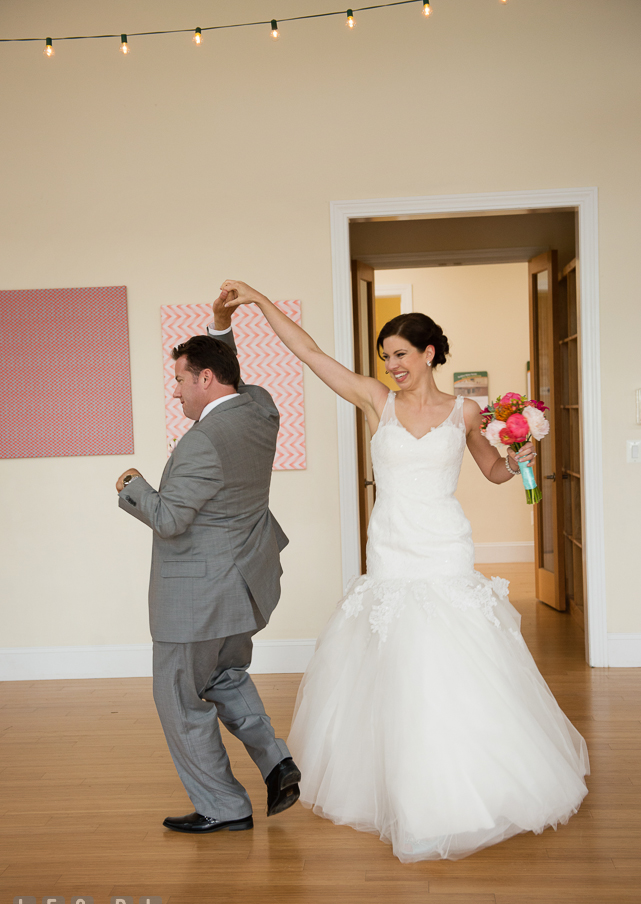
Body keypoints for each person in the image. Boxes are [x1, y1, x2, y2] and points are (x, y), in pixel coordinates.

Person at [217, 279, 589, 863]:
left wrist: (519, 460)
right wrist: (262, 304)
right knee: (399, 667)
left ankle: (466, 787)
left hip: (445, 549)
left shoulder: (466, 412)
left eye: (401, 355)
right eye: (386, 356)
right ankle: (404, 791)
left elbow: (492, 471)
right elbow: (311, 354)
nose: (391, 366)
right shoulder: (375, 401)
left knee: (453, 664)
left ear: (430, 355)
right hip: (392, 550)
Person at [115, 294, 301, 835]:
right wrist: (220, 328)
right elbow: (236, 376)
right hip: (245, 587)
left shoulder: (203, 442)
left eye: (179, 380)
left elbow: (170, 519)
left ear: (205, 380)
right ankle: (277, 763)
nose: (174, 391)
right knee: (224, 676)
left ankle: (224, 806)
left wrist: (132, 486)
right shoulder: (262, 410)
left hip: (195, 599)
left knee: (176, 697)